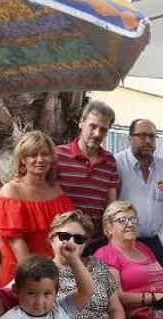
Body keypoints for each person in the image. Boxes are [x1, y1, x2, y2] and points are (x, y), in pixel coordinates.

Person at [0, 131, 74, 287]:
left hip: (53, 270)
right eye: (33, 155)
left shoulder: (56, 190)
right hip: (22, 272)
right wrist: (36, 278)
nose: (40, 160)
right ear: (22, 160)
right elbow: (16, 242)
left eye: (45, 154)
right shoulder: (11, 191)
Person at [115, 118, 163, 270]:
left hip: (152, 241)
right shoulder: (116, 164)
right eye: (142, 135)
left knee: (162, 281)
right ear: (130, 138)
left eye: (152, 136)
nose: (147, 140)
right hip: (122, 241)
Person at [55, 101, 119, 255]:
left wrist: (111, 246)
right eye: (93, 126)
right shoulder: (57, 155)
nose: (97, 134)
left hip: (95, 244)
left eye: (103, 129)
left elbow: (111, 206)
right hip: (63, 242)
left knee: (97, 280)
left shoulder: (110, 161)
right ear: (81, 123)